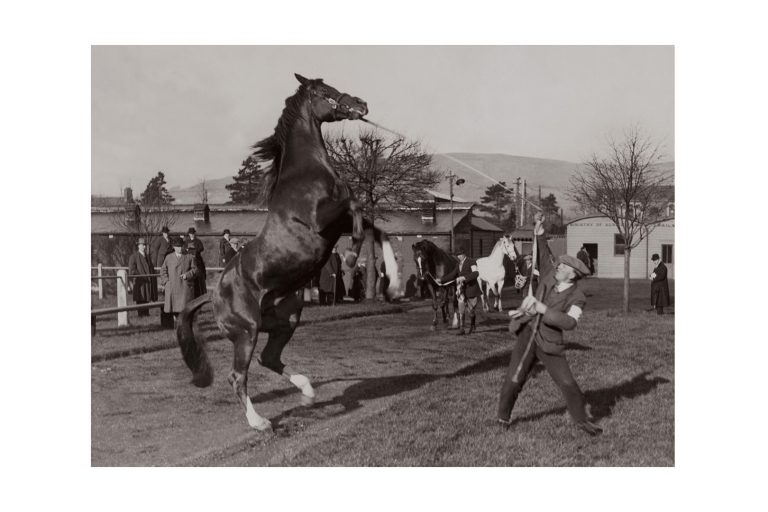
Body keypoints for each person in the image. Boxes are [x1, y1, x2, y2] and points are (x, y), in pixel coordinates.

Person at [498, 212, 602, 436]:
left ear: (573, 275)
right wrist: (540, 228)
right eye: (560, 265)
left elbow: (569, 322)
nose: (559, 268)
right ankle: (502, 419)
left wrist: (543, 309)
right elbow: (544, 253)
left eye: (564, 267)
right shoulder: (548, 275)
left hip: (550, 344)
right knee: (514, 379)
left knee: (568, 383)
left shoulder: (578, 297)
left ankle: (582, 420)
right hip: (528, 335)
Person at [438, 246, 480, 335]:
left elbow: (476, 274)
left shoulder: (472, 262)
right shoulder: (458, 265)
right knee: (461, 310)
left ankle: (472, 325)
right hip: (461, 290)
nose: (458, 256)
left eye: (460, 254)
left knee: (471, 311)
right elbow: (452, 275)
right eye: (457, 255)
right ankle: (462, 329)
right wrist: (441, 280)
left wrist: (464, 278)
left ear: (464, 254)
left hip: (471, 289)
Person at [160, 237, 198, 323]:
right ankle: (176, 325)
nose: (179, 248)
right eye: (177, 246)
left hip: (184, 288)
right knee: (174, 309)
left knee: (184, 310)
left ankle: (184, 325)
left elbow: (195, 270)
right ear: (174, 247)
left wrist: (187, 275)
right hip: (172, 287)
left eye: (181, 246)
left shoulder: (189, 257)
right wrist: (166, 281)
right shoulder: (168, 258)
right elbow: (163, 270)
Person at [127, 237, 157, 316]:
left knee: (146, 297)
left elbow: (151, 268)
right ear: (138, 246)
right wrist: (140, 276)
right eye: (142, 245)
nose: (144, 247)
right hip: (139, 283)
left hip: (147, 282)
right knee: (140, 298)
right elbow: (132, 271)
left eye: (145, 245)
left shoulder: (147, 257)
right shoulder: (134, 257)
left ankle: (146, 314)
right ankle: (140, 314)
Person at [184, 227, 207, 298]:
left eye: (192, 234)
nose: (191, 235)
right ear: (189, 234)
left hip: (197, 259)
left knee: (200, 273)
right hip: (189, 259)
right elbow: (184, 250)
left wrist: (195, 250)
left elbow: (201, 248)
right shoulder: (186, 241)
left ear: (194, 234)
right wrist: (188, 250)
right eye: (190, 234)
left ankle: (200, 291)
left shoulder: (198, 241)